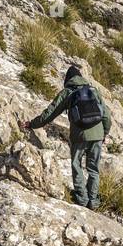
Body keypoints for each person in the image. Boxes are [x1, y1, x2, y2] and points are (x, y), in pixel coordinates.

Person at [20, 64, 111, 209]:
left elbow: (49, 113)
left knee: (77, 165)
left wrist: (32, 124)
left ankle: (81, 198)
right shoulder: (94, 90)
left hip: (80, 134)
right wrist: (104, 132)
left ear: (68, 80)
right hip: (98, 134)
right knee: (93, 168)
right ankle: (93, 201)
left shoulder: (67, 93)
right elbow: (106, 114)